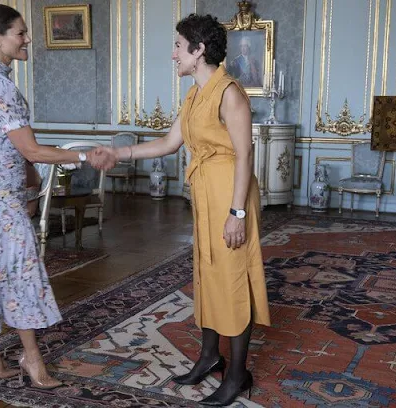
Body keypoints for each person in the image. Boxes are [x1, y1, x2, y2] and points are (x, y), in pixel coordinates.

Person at [97, 14, 270, 406]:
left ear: (199, 50)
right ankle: (210, 357)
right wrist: (118, 152)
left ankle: (238, 375)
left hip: (231, 195)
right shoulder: (194, 95)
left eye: (178, 46)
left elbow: (245, 155)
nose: (173, 53)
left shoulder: (230, 93)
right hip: (206, 196)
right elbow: (168, 142)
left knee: (232, 279)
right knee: (208, 275)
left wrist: (237, 213)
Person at [0, 4, 115, 387]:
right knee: (21, 273)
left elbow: (13, 147)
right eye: (20, 33)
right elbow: (30, 150)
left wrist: (29, 187)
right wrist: (85, 155)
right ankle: (32, 360)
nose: (28, 39)